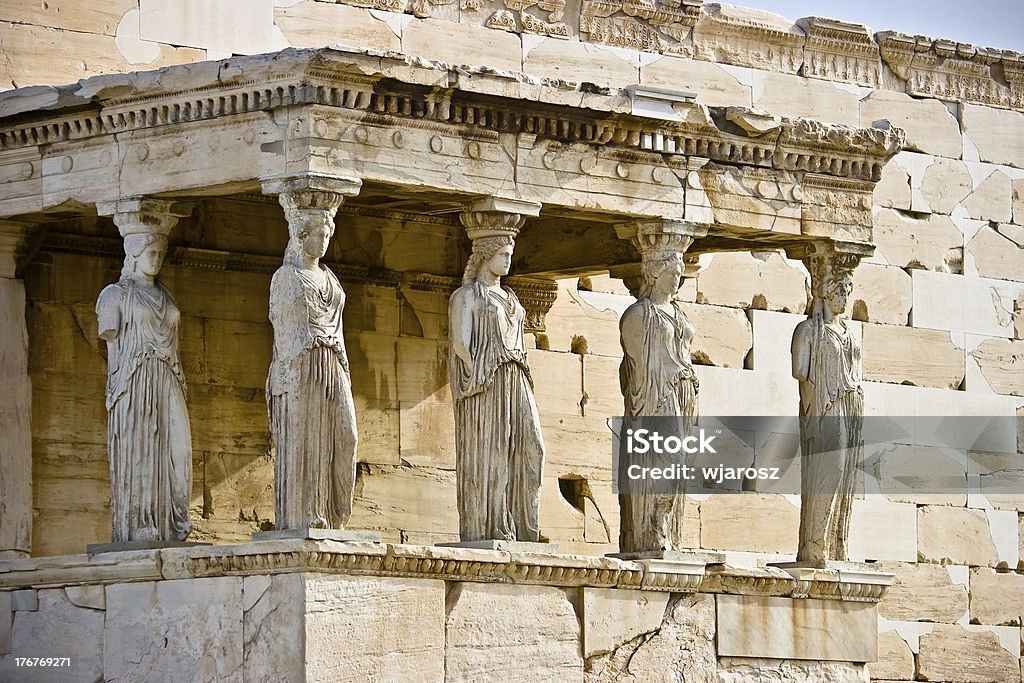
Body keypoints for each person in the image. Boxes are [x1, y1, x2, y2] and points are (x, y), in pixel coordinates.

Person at [97, 232, 192, 543]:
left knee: (180, 450)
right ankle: (141, 524)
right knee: (142, 447)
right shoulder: (115, 295)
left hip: (168, 375)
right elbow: (112, 348)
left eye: (159, 252)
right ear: (134, 254)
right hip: (135, 379)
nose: (156, 258)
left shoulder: (168, 296)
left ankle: (174, 523)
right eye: (149, 251)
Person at [449, 235, 545, 542]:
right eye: (502, 254)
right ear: (486, 256)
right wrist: (476, 369)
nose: (507, 259)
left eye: (509, 254)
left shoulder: (512, 298)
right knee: (494, 450)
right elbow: (460, 343)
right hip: (487, 381)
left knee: (533, 447)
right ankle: (493, 526)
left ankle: (524, 524)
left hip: (517, 376)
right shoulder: (468, 296)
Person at [267, 206, 357, 530]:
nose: (324, 241)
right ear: (301, 235)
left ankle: (335, 516)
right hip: (302, 366)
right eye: (319, 234)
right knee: (304, 442)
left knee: (346, 436)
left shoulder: (329, 277)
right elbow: (281, 325)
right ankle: (304, 516)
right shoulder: (286, 277)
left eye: (328, 235)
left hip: (333, 363)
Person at [617, 252, 698, 553]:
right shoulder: (639, 315)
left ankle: (664, 529)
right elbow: (634, 367)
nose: (677, 278)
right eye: (672, 272)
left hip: (684, 394)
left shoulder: (679, 314)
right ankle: (652, 527)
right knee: (670, 462)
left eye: (680, 272)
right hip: (656, 396)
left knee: (682, 463)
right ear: (654, 273)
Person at [791, 259, 862, 563]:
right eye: (840, 291)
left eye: (848, 291)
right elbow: (799, 371)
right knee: (829, 471)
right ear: (824, 293)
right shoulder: (808, 331)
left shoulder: (848, 333)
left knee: (847, 474)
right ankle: (814, 543)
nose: (845, 298)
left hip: (849, 405)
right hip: (825, 408)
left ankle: (836, 544)